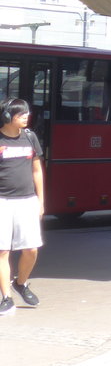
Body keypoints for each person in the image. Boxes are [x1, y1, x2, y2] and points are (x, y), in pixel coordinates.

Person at [0, 98, 44, 316]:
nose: (27, 116)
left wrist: (41, 201)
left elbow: (37, 170)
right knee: (2, 251)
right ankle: (6, 298)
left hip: (27, 200)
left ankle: (21, 283)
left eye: (27, 113)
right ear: (8, 117)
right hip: (2, 201)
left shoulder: (30, 137)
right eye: (21, 114)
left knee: (31, 249)